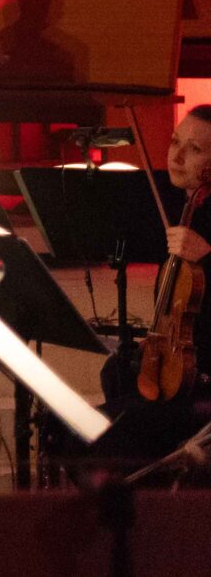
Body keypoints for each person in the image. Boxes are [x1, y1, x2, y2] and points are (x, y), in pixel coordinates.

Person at [94, 104, 211, 467]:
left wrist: (209, 257)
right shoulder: (189, 209)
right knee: (116, 371)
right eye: (175, 141)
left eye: (194, 149)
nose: (176, 156)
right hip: (179, 369)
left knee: (98, 438)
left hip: (202, 383)